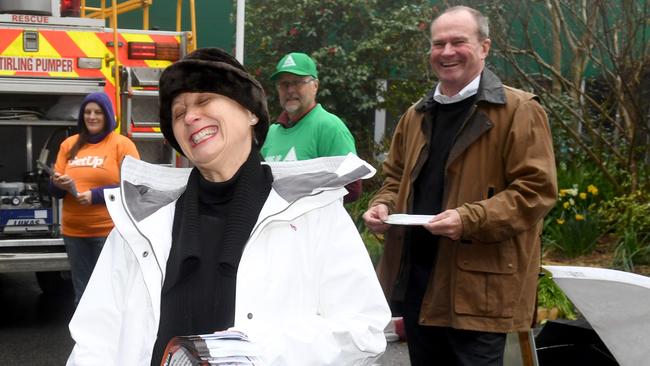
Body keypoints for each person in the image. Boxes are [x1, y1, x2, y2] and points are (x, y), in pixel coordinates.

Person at [66, 48, 390, 366]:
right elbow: (94, 340)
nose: (190, 117)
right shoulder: (140, 223)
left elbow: (364, 330)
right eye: (178, 113)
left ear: (251, 112)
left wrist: (252, 351)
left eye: (205, 100)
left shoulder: (315, 214)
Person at [362, 6, 557, 366]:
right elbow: (395, 178)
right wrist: (384, 205)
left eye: (458, 42)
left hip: (477, 291)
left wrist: (469, 219)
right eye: (439, 44)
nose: (447, 52)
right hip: (419, 285)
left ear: (484, 47)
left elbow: (536, 191)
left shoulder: (519, 110)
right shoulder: (416, 115)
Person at [49, 91, 139, 305]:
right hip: (74, 233)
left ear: (107, 115)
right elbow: (54, 191)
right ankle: (84, 339)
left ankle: (111, 338)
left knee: (111, 294)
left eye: (98, 112)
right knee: (83, 295)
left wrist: (95, 196)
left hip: (109, 233)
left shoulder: (121, 145)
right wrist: (57, 184)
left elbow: (133, 186)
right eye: (87, 112)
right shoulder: (68, 145)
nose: (92, 116)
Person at [261, 52, 362, 203]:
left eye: (297, 82)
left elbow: (352, 187)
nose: (290, 90)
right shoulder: (270, 133)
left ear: (315, 86)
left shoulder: (330, 127)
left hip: (315, 225)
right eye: (284, 84)